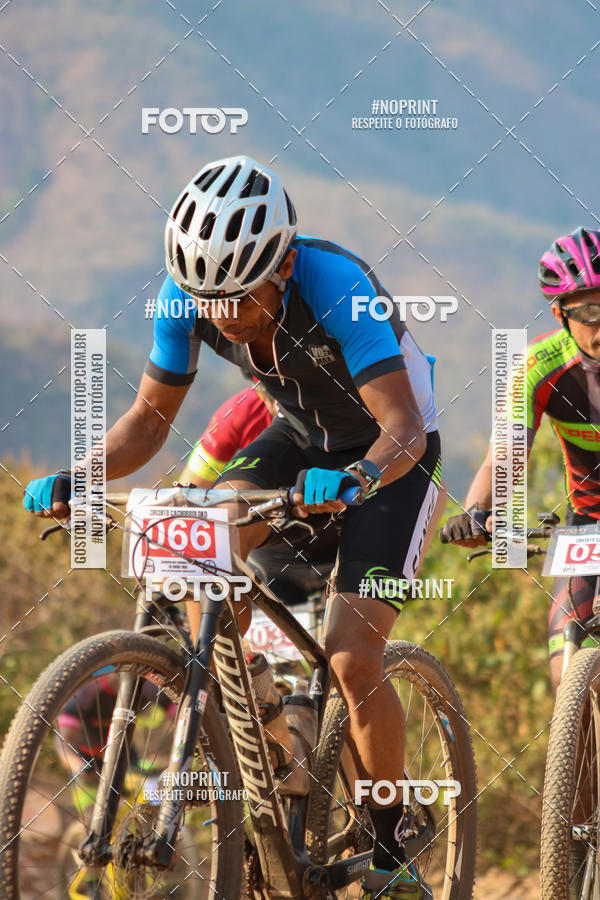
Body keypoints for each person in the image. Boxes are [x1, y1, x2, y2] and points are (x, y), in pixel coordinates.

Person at [24, 155, 444, 898]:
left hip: (391, 460)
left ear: (282, 264)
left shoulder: (339, 288)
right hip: (297, 440)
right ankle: (272, 739)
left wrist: (359, 480)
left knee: (351, 657)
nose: (220, 314)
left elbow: (404, 426)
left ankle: (390, 842)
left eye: (238, 297)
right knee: (201, 541)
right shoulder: (186, 297)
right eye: (204, 297)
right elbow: (149, 423)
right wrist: (81, 476)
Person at [441, 226, 600, 691]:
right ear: (559, 314)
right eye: (589, 311)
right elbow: (502, 459)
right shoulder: (537, 367)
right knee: (565, 664)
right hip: (588, 523)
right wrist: (476, 514)